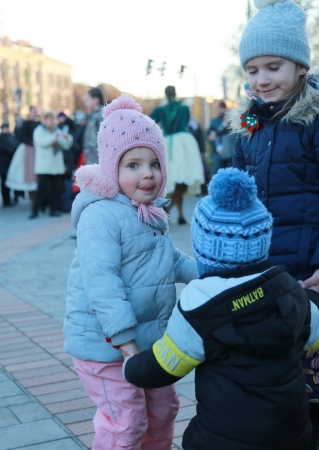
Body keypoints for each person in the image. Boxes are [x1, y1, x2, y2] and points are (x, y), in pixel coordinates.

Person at [231, 1, 319, 447]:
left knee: (308, 366)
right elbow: (236, 190)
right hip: (261, 270)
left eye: (273, 67)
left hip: (309, 273)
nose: (262, 80)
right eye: (252, 70)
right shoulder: (252, 120)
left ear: (300, 65)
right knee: (268, 367)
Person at [124, 168, 319, 450]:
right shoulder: (287, 287)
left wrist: (132, 366)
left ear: (203, 247)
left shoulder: (199, 304)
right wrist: (315, 300)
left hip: (222, 438)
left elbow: (167, 364)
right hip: (292, 434)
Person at [64, 94, 198, 450]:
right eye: (133, 165)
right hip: (106, 345)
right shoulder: (101, 216)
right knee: (126, 421)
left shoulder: (149, 212)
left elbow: (173, 261)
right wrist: (124, 341)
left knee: (163, 409)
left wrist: (215, 274)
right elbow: (101, 283)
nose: (148, 174)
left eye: (154, 163)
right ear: (111, 169)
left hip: (148, 342)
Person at [150, 86, 205, 225]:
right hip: (184, 142)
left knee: (176, 179)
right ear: (175, 93)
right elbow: (187, 123)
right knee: (183, 179)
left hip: (169, 143)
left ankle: (168, 208)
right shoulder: (184, 108)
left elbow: (149, 123)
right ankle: (180, 214)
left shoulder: (160, 110)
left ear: (165, 94)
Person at [30, 111, 72, 219]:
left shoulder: (56, 130)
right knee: (41, 188)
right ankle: (35, 210)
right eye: (50, 119)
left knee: (55, 188)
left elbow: (65, 145)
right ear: (44, 120)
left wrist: (67, 138)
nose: (52, 121)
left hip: (56, 165)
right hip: (43, 166)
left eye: (53, 119)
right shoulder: (39, 131)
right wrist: (55, 136)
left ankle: (52, 210)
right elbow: (42, 143)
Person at [6, 107, 40, 199]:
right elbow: (21, 136)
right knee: (28, 173)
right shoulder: (26, 123)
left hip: (39, 150)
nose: (35, 113)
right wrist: (30, 142)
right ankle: (33, 199)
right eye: (34, 111)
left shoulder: (40, 124)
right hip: (28, 150)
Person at [207, 101, 230, 174]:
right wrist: (218, 147)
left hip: (229, 153)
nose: (221, 110)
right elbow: (210, 136)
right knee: (216, 172)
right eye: (220, 108)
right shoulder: (214, 121)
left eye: (223, 108)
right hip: (217, 152)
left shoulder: (229, 121)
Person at [82, 87, 104, 164]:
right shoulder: (93, 115)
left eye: (87, 100)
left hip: (98, 161)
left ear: (96, 100)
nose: (85, 103)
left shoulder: (101, 116)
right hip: (91, 160)